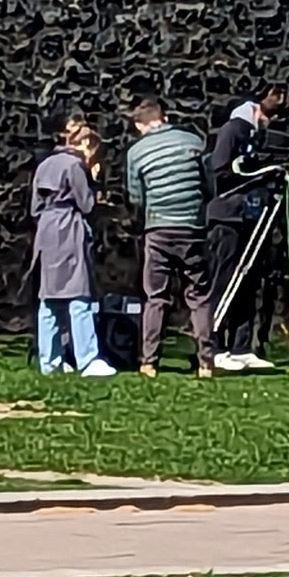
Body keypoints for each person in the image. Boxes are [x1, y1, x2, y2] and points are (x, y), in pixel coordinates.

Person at [200, 86, 289, 371]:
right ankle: (214, 346)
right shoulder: (234, 129)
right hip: (228, 218)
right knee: (225, 281)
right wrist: (257, 167)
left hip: (255, 217)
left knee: (250, 282)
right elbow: (220, 171)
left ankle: (241, 346)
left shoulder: (265, 135)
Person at [122, 94, 216, 375]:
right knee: (199, 295)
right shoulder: (193, 142)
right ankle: (206, 361)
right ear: (163, 117)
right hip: (192, 227)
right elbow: (209, 184)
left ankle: (149, 361)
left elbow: (136, 197)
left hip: (159, 229)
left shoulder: (136, 152)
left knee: (156, 296)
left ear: (140, 125)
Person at [30, 115, 110, 378]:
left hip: (46, 230)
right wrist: (94, 179)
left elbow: (35, 208)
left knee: (49, 298)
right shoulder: (75, 166)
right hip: (69, 229)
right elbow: (86, 204)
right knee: (79, 294)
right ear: (86, 145)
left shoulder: (44, 165)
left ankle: (50, 361)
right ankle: (88, 359)